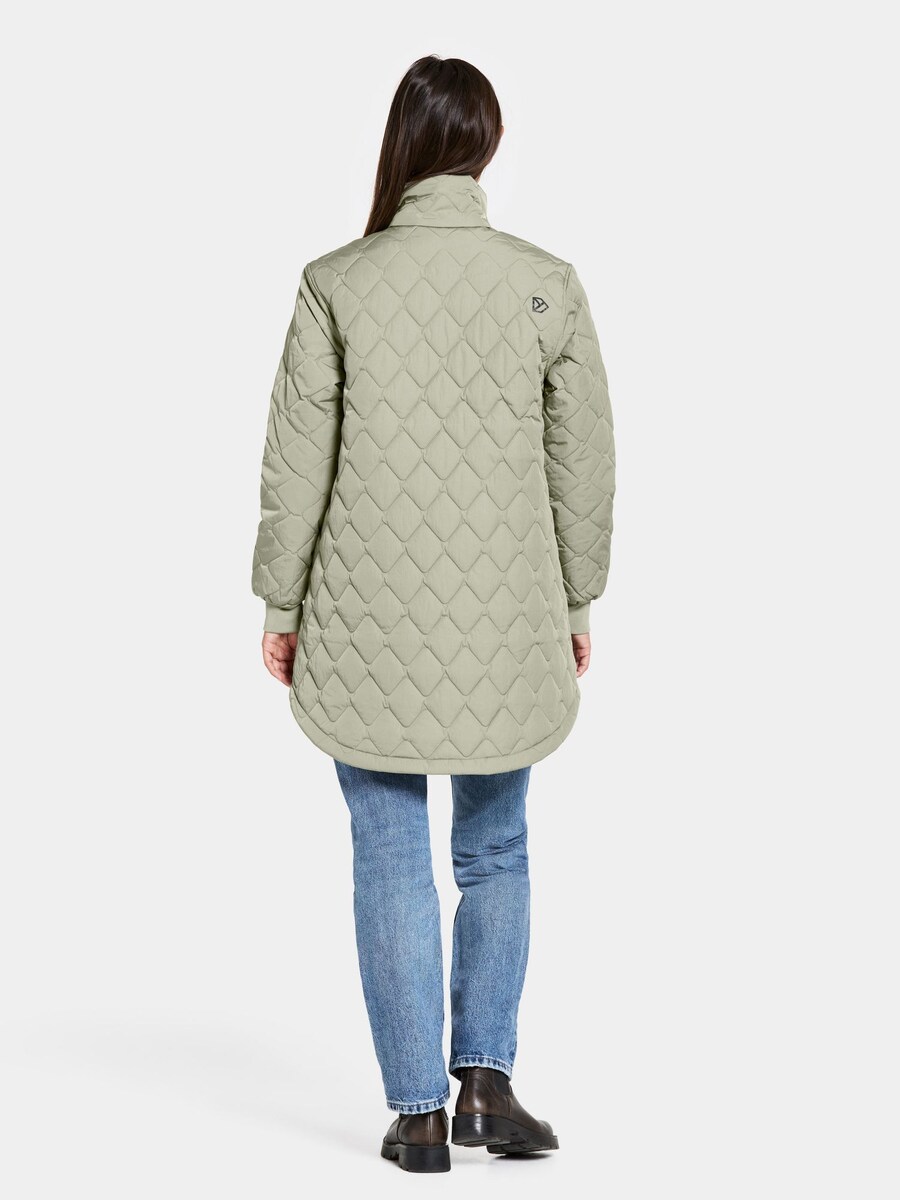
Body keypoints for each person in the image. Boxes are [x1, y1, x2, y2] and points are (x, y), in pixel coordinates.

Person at [251, 55, 615, 1173]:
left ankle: (417, 1117)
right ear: (485, 146)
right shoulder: (546, 282)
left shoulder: (336, 282)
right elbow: (583, 462)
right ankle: (486, 1087)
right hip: (509, 615)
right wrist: (577, 597)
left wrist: (282, 600)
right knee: (496, 847)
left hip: (362, 617)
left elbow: (295, 464)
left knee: (388, 852)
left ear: (404, 143)